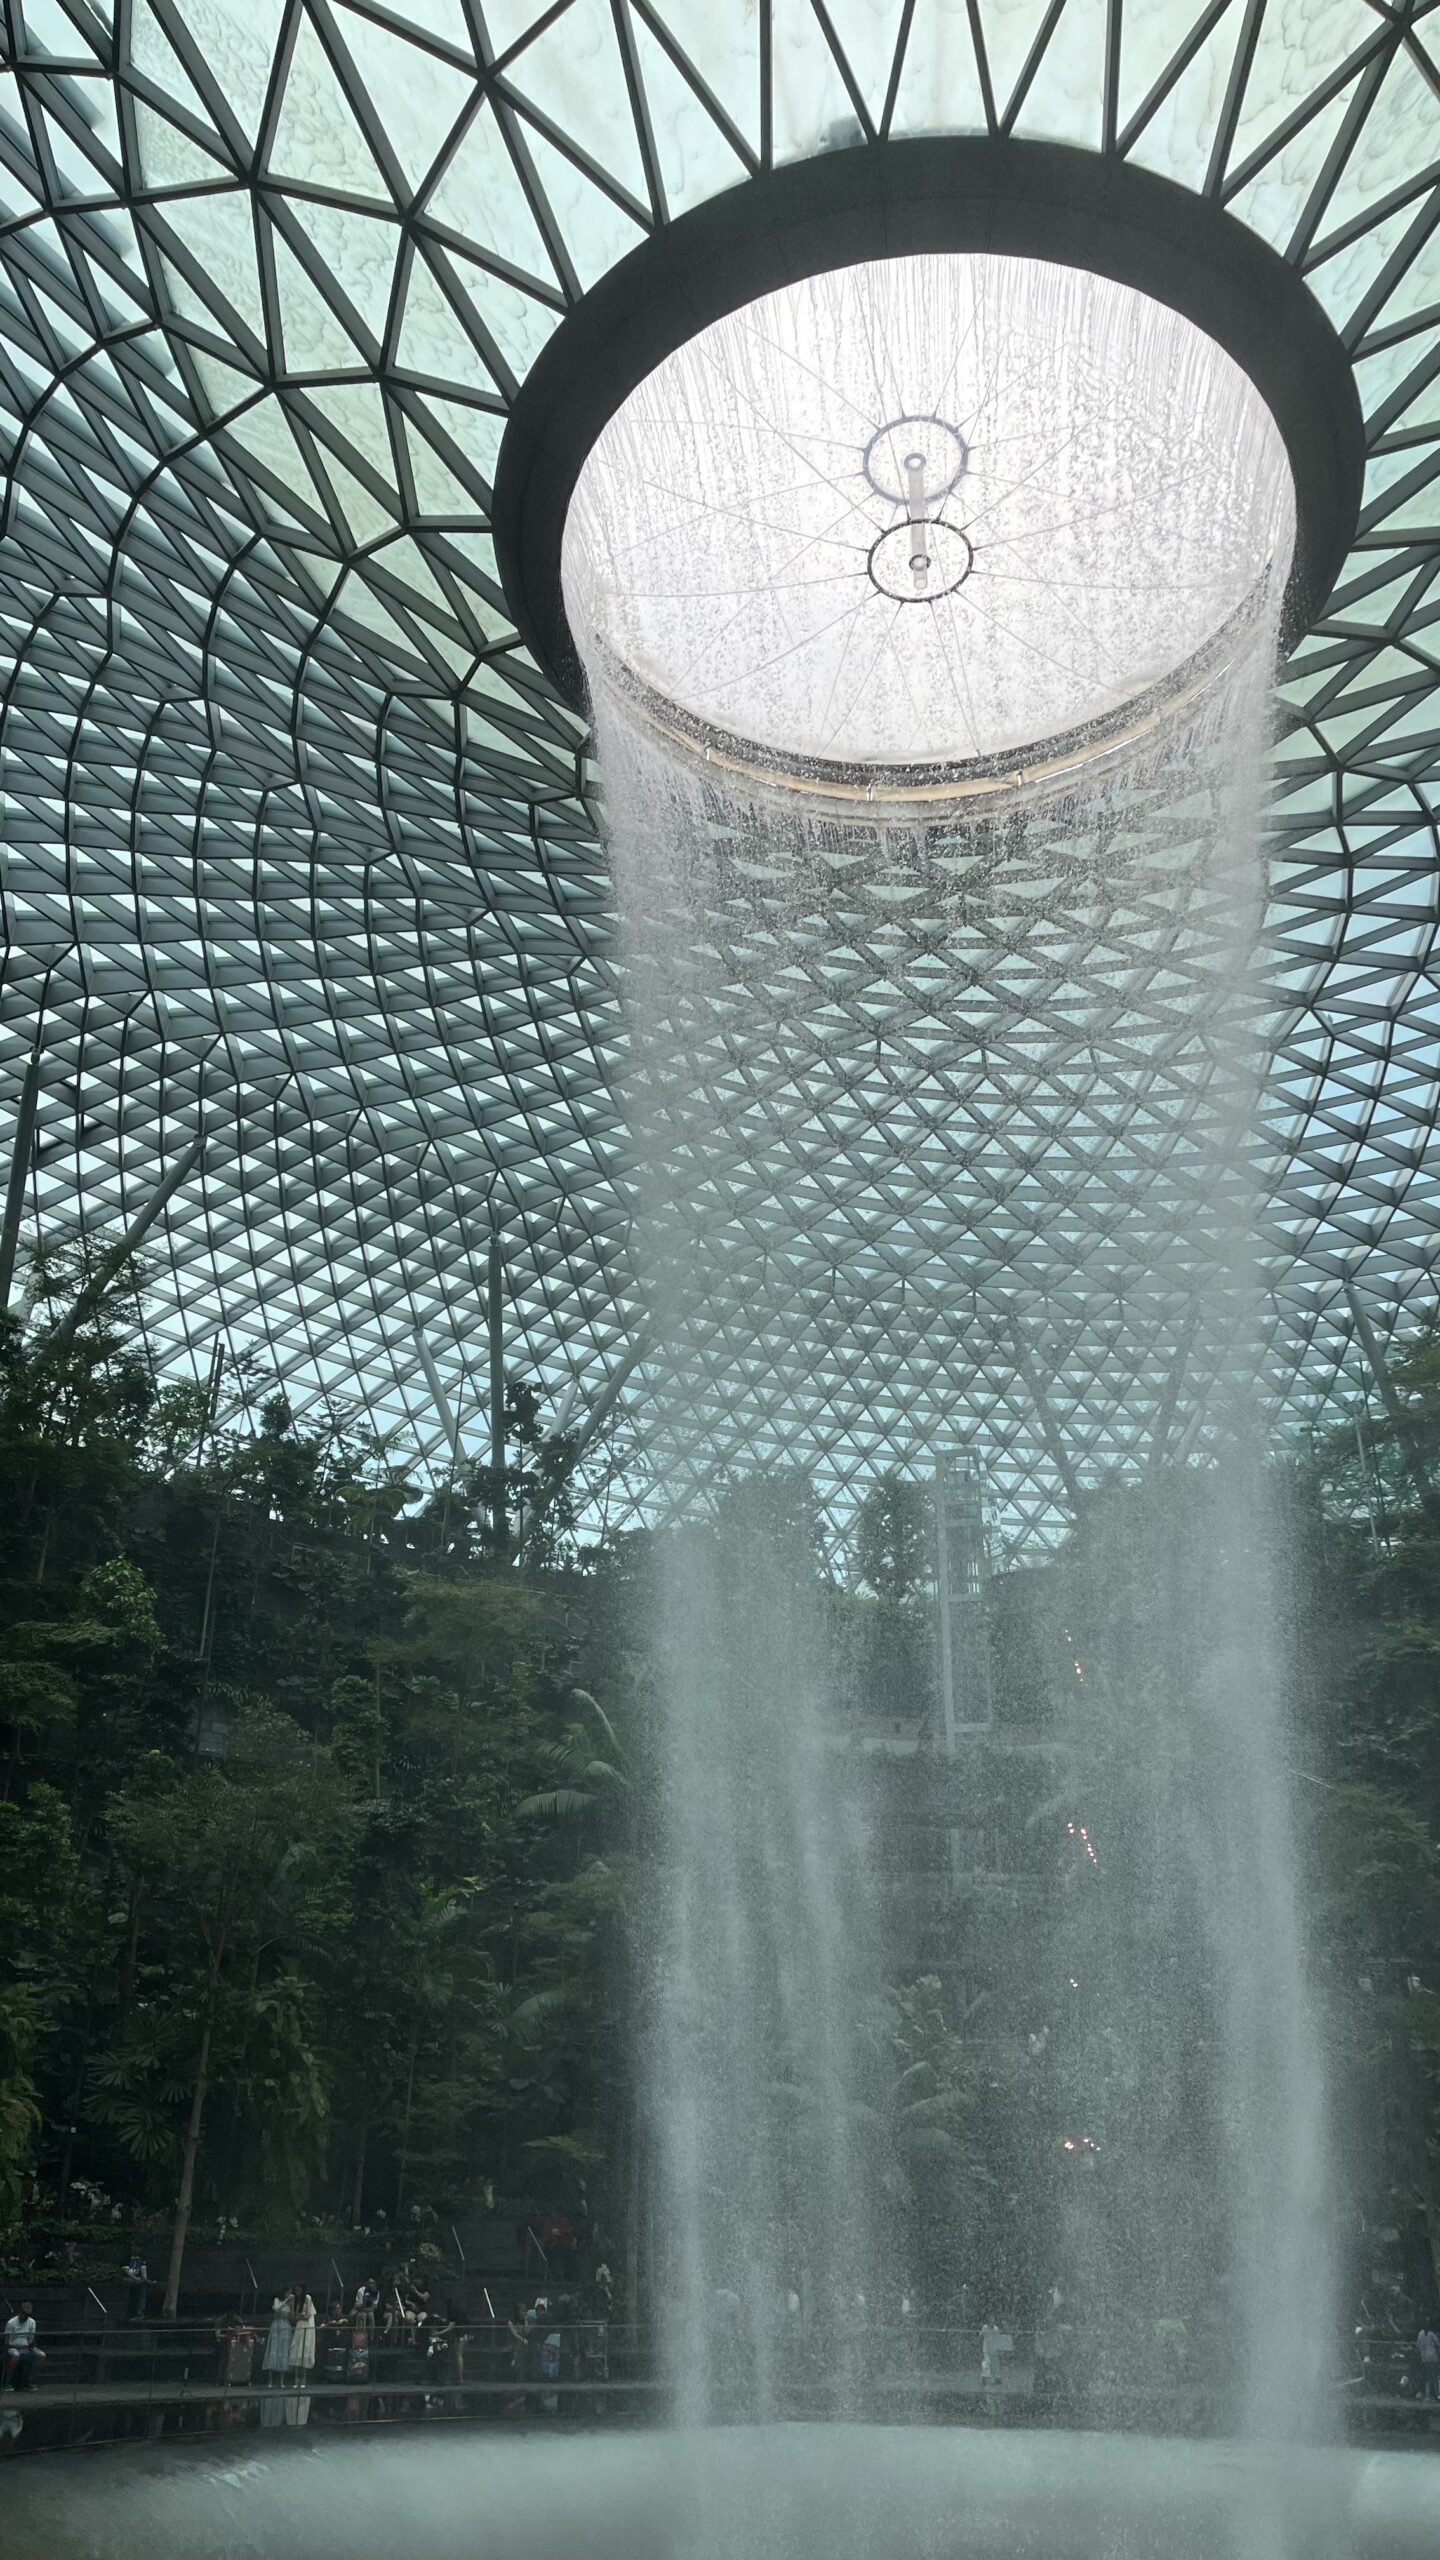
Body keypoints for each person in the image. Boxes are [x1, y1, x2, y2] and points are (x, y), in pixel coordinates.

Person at [3, 2304, 45, 2392]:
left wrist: (30, 2345)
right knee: (15, 2356)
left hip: (26, 2347)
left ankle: (29, 2381)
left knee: (42, 2355)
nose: (26, 2317)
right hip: (13, 2347)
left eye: (28, 2315)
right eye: (24, 2314)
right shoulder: (11, 2323)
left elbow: (31, 2338)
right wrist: (18, 2346)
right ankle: (7, 2381)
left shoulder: (32, 2322)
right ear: (20, 2312)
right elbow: (7, 2342)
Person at [263, 2290, 294, 2380]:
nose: (289, 2294)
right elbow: (276, 2309)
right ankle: (270, 2380)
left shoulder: (289, 2304)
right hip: (276, 2325)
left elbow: (291, 2317)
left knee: (283, 2350)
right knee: (274, 2349)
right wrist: (286, 2300)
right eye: (288, 2292)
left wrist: (292, 2306)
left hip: (286, 2326)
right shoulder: (277, 2300)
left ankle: (282, 2380)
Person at [290, 2290, 316, 2381]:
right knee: (297, 2349)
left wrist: (300, 2316)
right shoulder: (297, 2301)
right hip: (299, 2326)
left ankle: (303, 2379)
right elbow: (293, 2317)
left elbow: (308, 2316)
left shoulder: (307, 2297)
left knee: (305, 2349)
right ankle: (296, 2379)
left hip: (307, 2325)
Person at [124, 2248, 149, 2322]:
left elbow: (144, 2274)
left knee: (142, 2288)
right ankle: (135, 2313)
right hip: (130, 2279)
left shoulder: (142, 2260)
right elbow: (126, 2271)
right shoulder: (127, 2259)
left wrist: (143, 2279)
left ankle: (139, 2313)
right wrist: (136, 2279)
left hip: (137, 2280)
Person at [1418, 2323, 1440, 2400]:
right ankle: (1437, 2395)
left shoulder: (1420, 2333)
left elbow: (1418, 2345)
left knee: (1428, 2377)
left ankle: (1428, 2395)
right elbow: (1438, 2344)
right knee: (1435, 2376)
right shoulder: (1432, 2334)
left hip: (1424, 2358)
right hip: (1432, 2357)